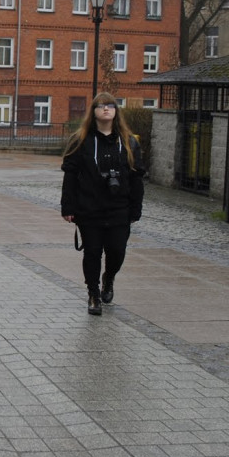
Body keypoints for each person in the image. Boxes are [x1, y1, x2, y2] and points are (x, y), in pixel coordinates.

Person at [61, 92, 145, 316]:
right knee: (92, 253)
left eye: (110, 105)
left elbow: (137, 177)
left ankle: (109, 278)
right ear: (94, 111)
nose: (106, 109)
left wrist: (136, 208)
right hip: (89, 208)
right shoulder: (81, 141)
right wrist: (68, 208)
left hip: (120, 208)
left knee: (117, 251)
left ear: (116, 111)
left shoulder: (128, 142)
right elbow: (70, 176)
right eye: (101, 106)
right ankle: (93, 294)